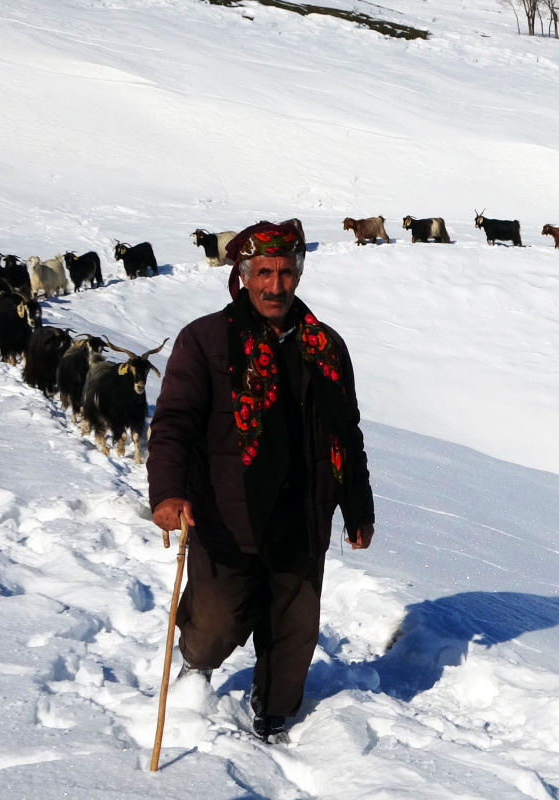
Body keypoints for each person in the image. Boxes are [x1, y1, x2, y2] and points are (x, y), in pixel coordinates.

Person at [147, 220, 376, 742]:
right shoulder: (206, 340)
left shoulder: (326, 345)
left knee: (293, 629)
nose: (277, 286)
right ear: (244, 276)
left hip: (304, 510)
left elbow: (348, 431)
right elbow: (175, 421)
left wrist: (357, 507)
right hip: (230, 511)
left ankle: (274, 709)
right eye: (266, 272)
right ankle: (197, 666)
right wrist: (168, 491)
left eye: (287, 272)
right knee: (216, 622)